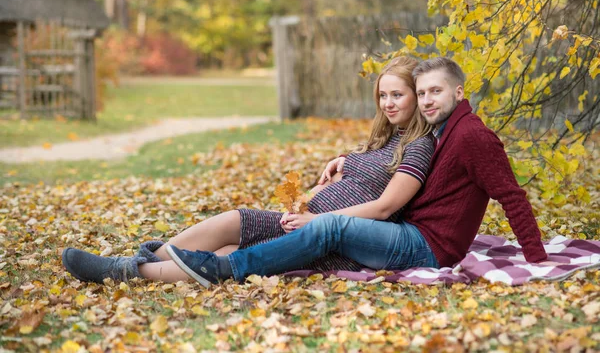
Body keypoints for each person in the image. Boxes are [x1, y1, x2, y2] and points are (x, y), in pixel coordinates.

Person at [165, 57, 549, 287]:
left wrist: (536, 258)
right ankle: (143, 263)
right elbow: (389, 160)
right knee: (243, 226)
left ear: (459, 93)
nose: (429, 100)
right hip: (407, 232)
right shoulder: (444, 130)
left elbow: (510, 195)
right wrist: (346, 159)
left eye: (436, 92)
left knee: (327, 228)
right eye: (425, 92)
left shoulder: (471, 136)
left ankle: (222, 269)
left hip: (428, 246)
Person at [62, 56, 436, 284]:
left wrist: (315, 221)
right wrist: (314, 193)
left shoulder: (418, 146)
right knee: (230, 232)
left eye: (397, 95)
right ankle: (132, 265)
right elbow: (352, 179)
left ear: (416, 97)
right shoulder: (385, 137)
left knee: (230, 238)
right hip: (306, 220)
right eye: (382, 95)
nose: (388, 103)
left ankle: (126, 270)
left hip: (330, 239)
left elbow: (385, 208)